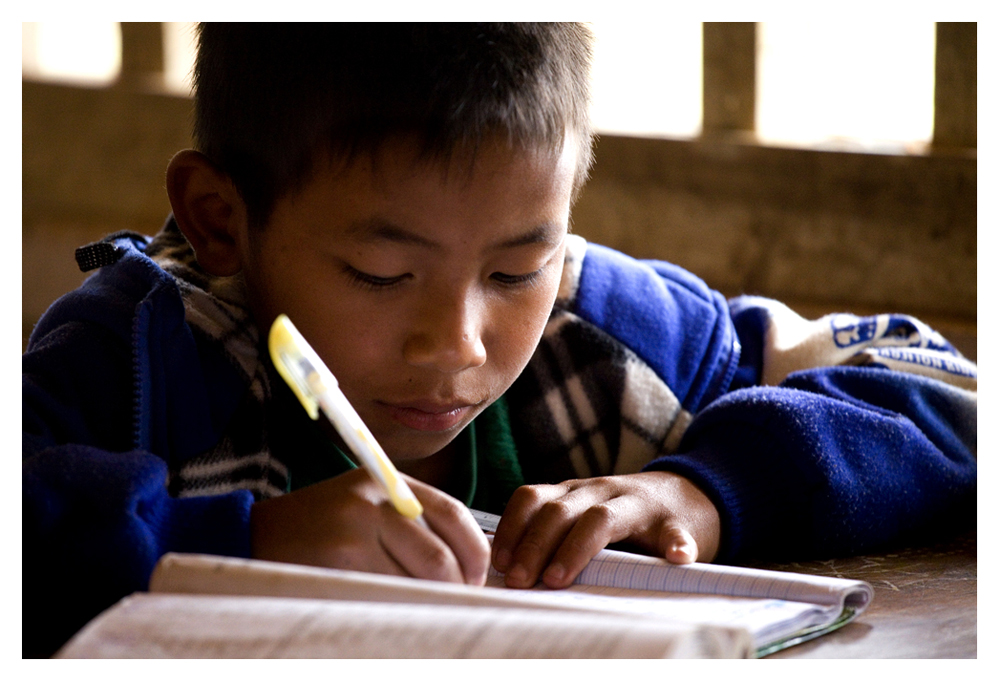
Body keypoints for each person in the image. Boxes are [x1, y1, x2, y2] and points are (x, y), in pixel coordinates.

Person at [22, 23, 977, 657]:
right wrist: (238, 542)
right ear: (220, 219)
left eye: (516, 270)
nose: (458, 345)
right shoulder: (138, 359)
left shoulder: (602, 335)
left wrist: (700, 490)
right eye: (381, 275)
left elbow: (943, 388)